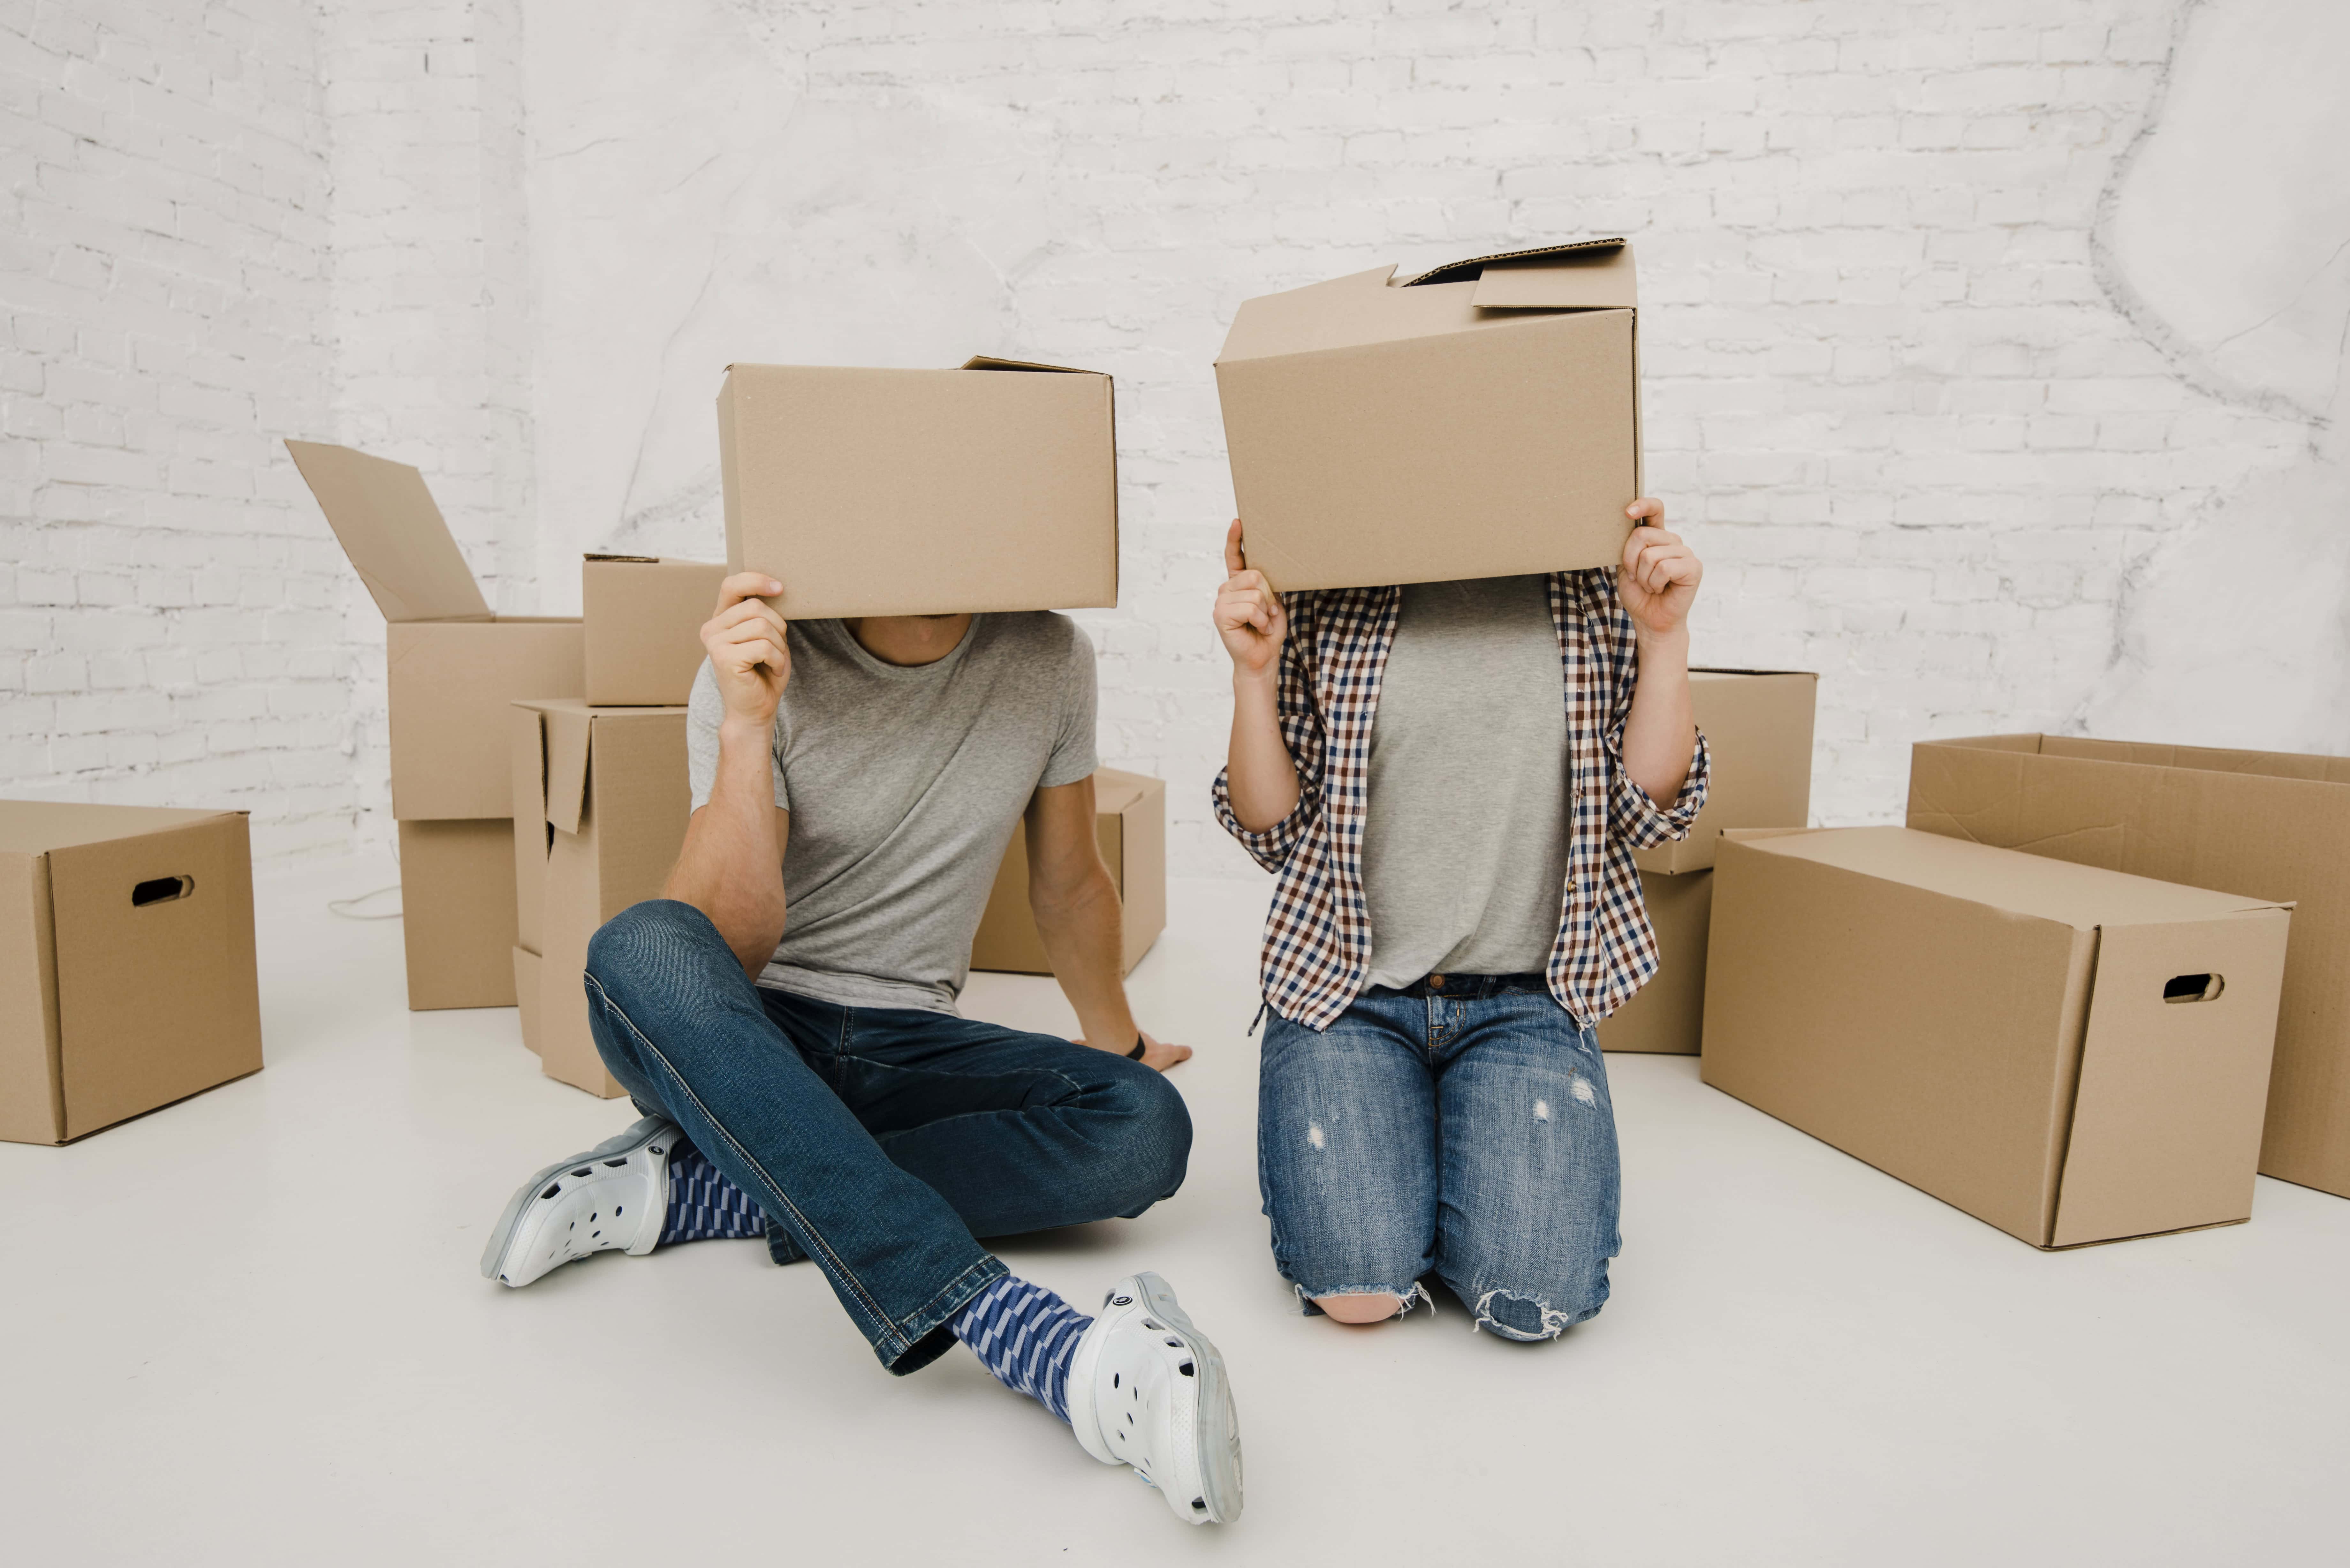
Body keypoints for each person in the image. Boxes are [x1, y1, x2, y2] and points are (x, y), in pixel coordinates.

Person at [480, 574, 1242, 1526]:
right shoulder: (755, 653)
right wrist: (749, 728)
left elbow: (1071, 881)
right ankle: (1031, 1338)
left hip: (905, 1036)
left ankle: (709, 1189)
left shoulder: (1049, 656)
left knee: (1144, 1126)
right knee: (638, 946)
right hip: (742, 1032)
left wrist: (1121, 1041)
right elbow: (732, 940)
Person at [1211, 502, 1709, 1340]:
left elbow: (1650, 814)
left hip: (1525, 999)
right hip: (1350, 993)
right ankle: (1414, 1143)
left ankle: (1455, 1139)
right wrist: (1253, 677)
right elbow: (1273, 831)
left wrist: (1664, 639)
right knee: (1357, 1288)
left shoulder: (1591, 585)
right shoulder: (1336, 591)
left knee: (1534, 1298)